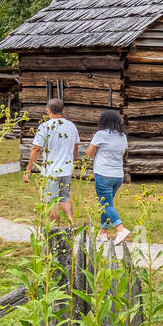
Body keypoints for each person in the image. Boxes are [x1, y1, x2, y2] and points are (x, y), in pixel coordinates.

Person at [22, 98, 79, 227]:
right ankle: (71, 223)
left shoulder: (45, 127)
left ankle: (55, 228)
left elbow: (36, 148)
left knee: (51, 201)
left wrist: (28, 170)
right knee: (64, 198)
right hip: (66, 169)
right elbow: (75, 147)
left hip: (51, 171)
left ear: (48, 110)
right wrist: (72, 163)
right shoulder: (71, 126)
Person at [86, 109, 130, 246]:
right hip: (118, 176)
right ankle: (103, 233)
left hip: (103, 174)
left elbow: (89, 153)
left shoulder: (100, 135)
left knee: (105, 204)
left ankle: (120, 229)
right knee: (107, 203)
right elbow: (122, 154)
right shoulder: (123, 136)